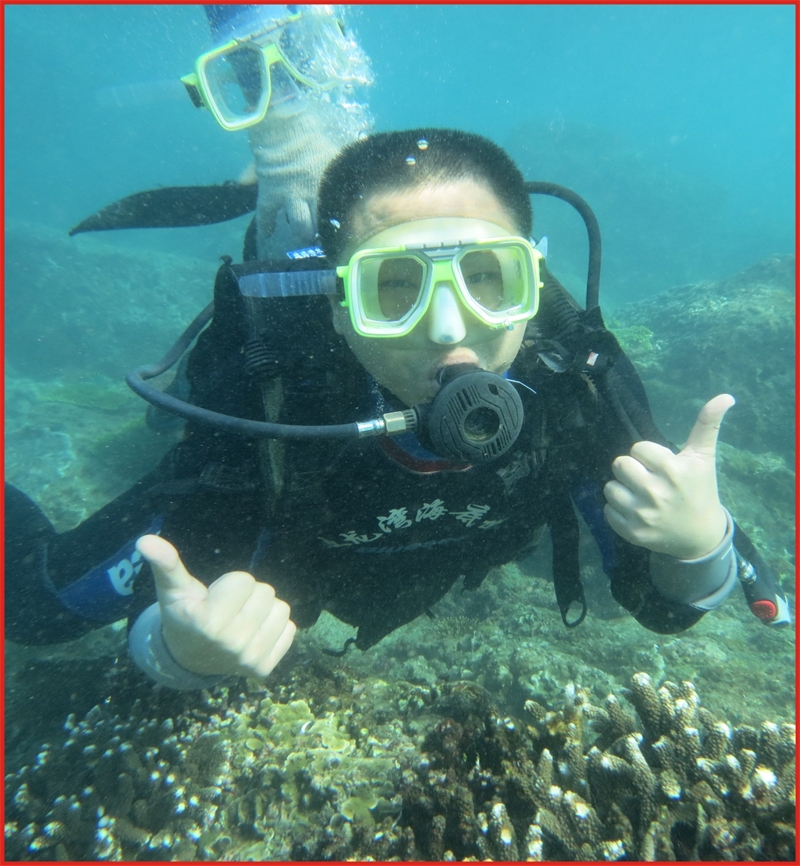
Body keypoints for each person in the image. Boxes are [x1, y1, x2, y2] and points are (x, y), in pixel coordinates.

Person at [5, 126, 790, 691]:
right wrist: (178, 654)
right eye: (393, 289)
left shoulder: (570, 380)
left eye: (488, 278)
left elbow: (659, 603)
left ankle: (308, 174)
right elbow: (173, 595)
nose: (449, 330)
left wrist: (700, 546)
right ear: (340, 309)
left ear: (531, 288)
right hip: (298, 508)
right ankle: (289, 176)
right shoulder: (282, 396)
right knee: (36, 613)